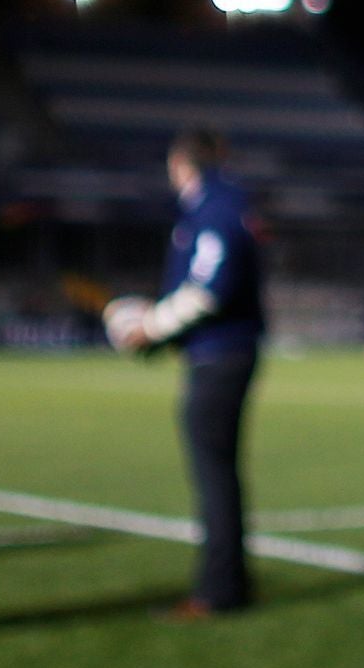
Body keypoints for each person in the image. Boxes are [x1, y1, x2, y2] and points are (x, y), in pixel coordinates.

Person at [112, 127, 265, 620]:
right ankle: (230, 583)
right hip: (222, 351)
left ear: (182, 164)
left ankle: (219, 592)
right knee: (220, 473)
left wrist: (151, 327)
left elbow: (207, 289)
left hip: (220, 355)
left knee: (213, 475)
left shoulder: (215, 207)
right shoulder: (222, 204)